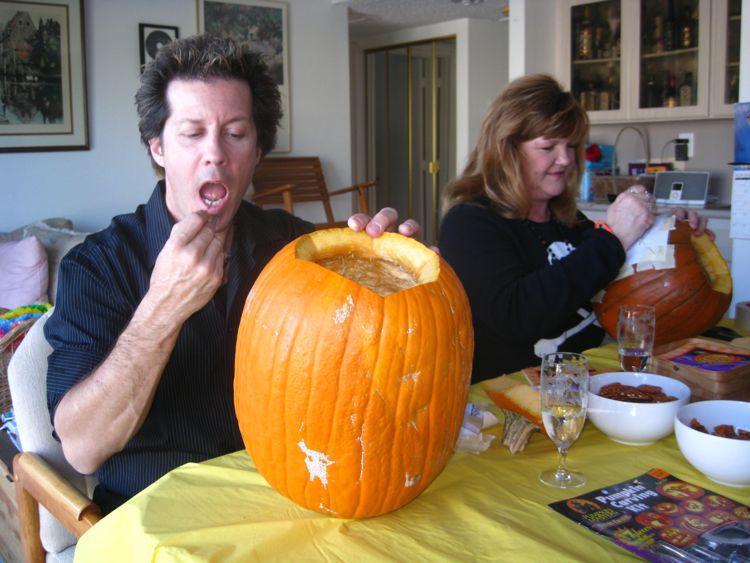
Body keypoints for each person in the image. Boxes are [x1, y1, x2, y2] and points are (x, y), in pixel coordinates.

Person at [44, 34, 418, 514]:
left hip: (286, 498)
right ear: (158, 147)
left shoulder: (296, 249)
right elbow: (82, 447)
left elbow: (380, 347)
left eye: (236, 134)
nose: (215, 154)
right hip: (161, 513)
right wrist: (162, 308)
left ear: (257, 153)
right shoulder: (96, 266)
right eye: (192, 133)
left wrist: (397, 268)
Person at [438, 74, 708, 383]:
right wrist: (613, 238)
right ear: (506, 150)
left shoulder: (569, 220)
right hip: (508, 400)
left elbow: (623, 283)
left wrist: (669, 234)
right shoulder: (469, 223)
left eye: (571, 145)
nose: (565, 159)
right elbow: (515, 315)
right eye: (548, 146)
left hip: (586, 384)